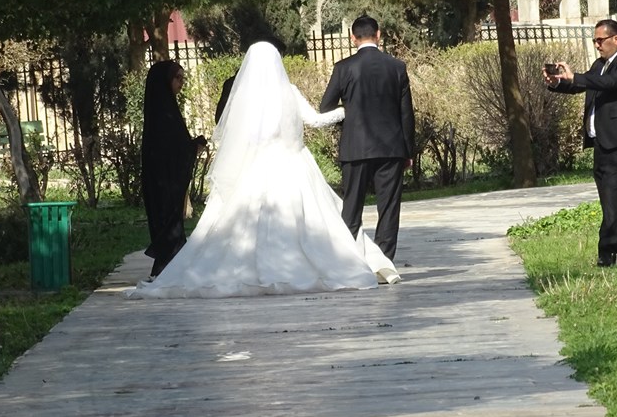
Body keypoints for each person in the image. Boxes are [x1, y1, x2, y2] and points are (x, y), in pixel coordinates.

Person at [127, 42, 399, 299]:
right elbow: (315, 121)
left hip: (257, 168)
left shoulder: (245, 98)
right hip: (293, 165)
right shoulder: (288, 91)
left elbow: (237, 138)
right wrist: (346, 111)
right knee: (313, 221)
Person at [544, 19, 617, 267]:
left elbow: (610, 84)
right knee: (612, 198)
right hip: (602, 143)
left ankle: (607, 253)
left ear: (616, 39)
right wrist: (559, 82)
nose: (597, 45)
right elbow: (585, 83)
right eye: (594, 41)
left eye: (600, 40)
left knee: (613, 197)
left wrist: (577, 77)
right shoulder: (600, 65)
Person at [320, 15, 415, 262]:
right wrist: (408, 151)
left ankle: (348, 263)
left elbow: (326, 107)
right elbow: (406, 114)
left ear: (353, 38)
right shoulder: (397, 67)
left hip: (355, 147)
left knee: (351, 207)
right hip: (391, 147)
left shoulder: (343, 68)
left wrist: (349, 117)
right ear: (378, 34)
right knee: (389, 208)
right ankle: (384, 263)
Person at [140, 61, 206, 279]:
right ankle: (168, 267)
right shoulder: (163, 114)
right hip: (163, 180)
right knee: (167, 222)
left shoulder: (165, 108)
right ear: (165, 81)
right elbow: (170, 149)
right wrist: (192, 148)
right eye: (178, 78)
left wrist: (191, 146)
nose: (181, 84)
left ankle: (169, 267)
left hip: (166, 179)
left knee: (169, 223)